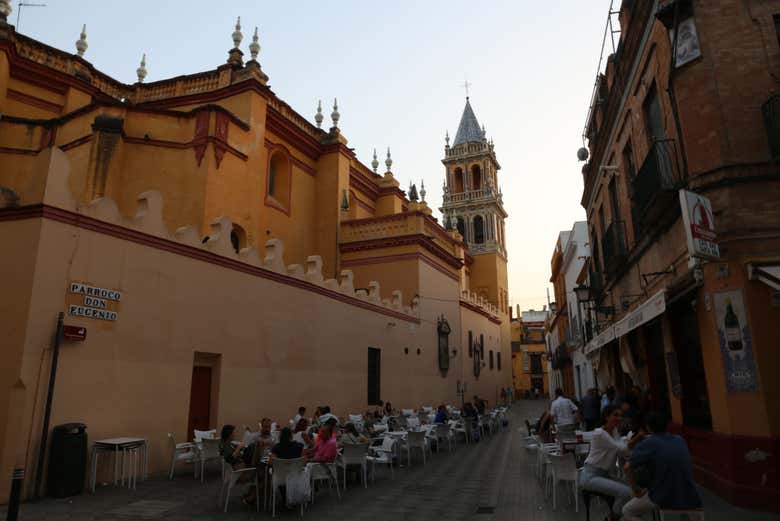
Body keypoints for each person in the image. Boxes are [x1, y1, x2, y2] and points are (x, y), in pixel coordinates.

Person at [622, 412, 702, 521]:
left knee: (627, 511)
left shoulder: (648, 443)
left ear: (648, 427)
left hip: (664, 495)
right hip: (690, 494)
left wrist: (636, 490)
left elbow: (627, 467)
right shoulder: (679, 440)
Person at [579, 405, 646, 521]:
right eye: (615, 415)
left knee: (631, 488)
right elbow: (621, 448)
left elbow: (623, 452)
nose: (619, 418)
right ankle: (612, 518)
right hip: (590, 476)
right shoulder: (600, 433)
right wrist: (638, 438)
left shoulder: (614, 432)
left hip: (603, 474)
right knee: (625, 492)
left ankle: (621, 516)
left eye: (620, 415)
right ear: (606, 417)